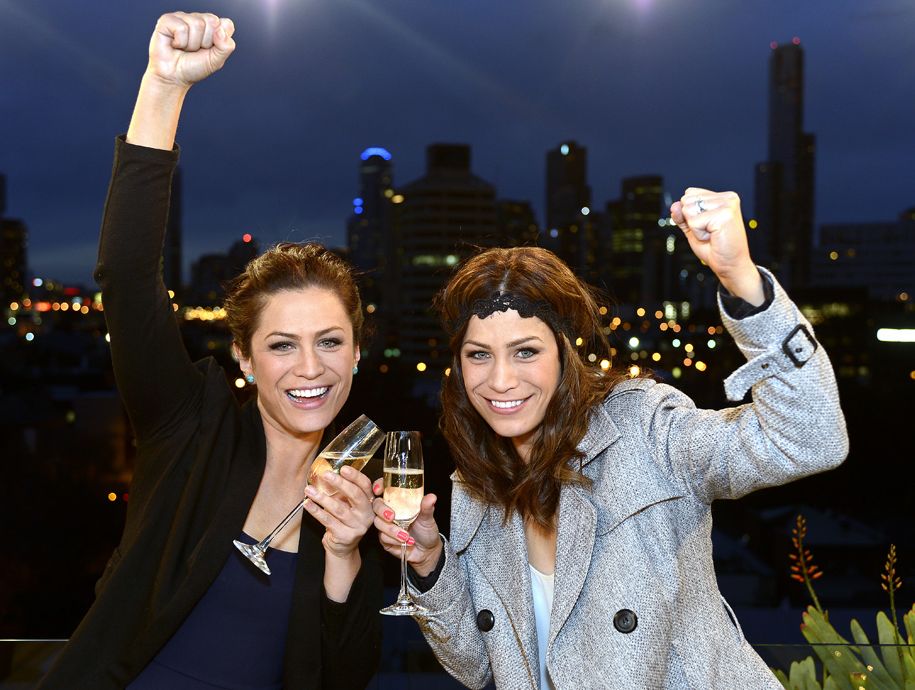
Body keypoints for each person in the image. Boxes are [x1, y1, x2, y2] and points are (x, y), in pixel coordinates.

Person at [373, 188, 849, 688]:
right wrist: (429, 562)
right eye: (479, 355)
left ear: (563, 354)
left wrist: (743, 284)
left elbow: (810, 439)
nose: (500, 380)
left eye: (526, 352)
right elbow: (475, 668)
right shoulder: (478, 481)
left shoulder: (644, 428)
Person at [39, 12, 381, 690]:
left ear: (357, 354)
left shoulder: (353, 497)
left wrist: (345, 555)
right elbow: (130, 275)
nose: (309, 368)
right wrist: (163, 87)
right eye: (282, 345)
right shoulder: (190, 425)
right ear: (244, 358)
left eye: (330, 342)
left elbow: (341, 678)